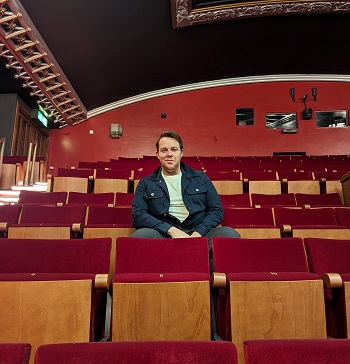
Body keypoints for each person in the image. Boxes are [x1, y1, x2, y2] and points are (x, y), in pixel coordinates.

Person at [131, 131, 240, 256]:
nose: (169, 154)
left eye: (174, 149)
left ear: (181, 152)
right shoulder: (146, 183)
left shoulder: (200, 178)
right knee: (139, 236)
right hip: (164, 235)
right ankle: (168, 272)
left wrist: (197, 234)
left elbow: (216, 210)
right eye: (164, 150)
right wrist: (171, 230)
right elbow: (138, 215)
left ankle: (205, 273)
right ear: (157, 154)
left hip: (198, 233)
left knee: (230, 235)